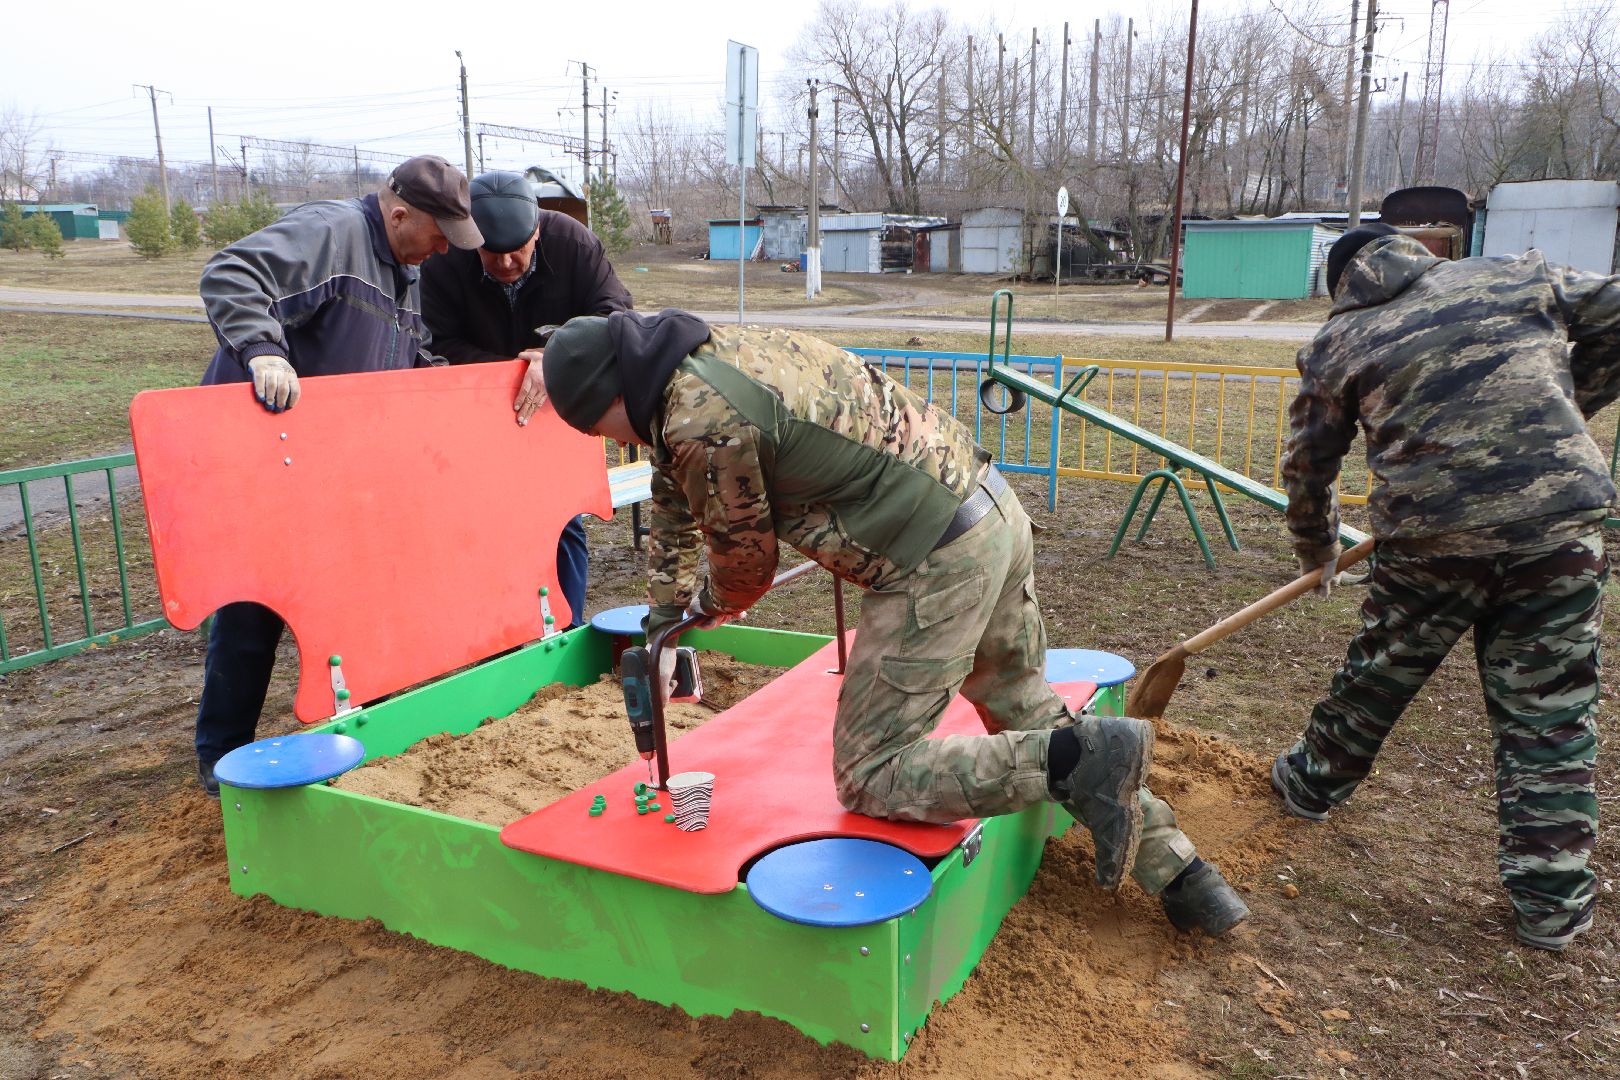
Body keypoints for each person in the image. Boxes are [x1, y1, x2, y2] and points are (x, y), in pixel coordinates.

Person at [533, 308, 1251, 935]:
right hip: (987, 507)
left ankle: (1074, 761)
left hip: (933, 555)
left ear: (614, 396)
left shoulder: (701, 420)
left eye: (601, 428)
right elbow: (670, 491)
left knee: (874, 772)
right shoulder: (704, 358)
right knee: (1019, 702)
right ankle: (1185, 876)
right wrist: (663, 617)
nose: (613, 443)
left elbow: (745, 564)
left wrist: (704, 611)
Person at [1275, 222, 1620, 951]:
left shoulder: (1341, 341)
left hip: (1432, 540)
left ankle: (1309, 786)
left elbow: (1308, 467)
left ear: (1342, 285)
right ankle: (1552, 905)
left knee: (1379, 675)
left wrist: (1316, 550)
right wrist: (1566, 406)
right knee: (1549, 714)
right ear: (1417, 251)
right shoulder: (1515, 275)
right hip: (1558, 528)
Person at [192, 155, 483, 797]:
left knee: (353, 604)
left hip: (331, 473)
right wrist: (263, 350)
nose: (441, 251)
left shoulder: (404, 270)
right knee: (253, 613)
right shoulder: (332, 234)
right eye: (438, 234)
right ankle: (222, 761)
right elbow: (231, 272)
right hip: (263, 459)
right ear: (399, 212)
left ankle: (355, 738)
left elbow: (402, 355)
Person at [420, 170, 632, 628]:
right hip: (477, 404)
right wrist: (511, 371)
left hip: (559, 405)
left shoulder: (574, 244)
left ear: (538, 229)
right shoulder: (444, 260)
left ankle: (568, 625)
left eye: (519, 247)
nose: (508, 262)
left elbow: (616, 318)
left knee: (563, 518)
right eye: (492, 253)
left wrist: (554, 355)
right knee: (482, 521)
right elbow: (433, 342)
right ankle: (498, 633)